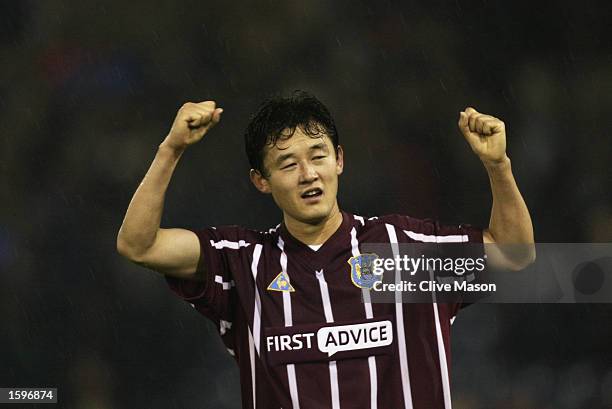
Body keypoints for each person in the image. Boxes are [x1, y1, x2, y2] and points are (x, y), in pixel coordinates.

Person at [117, 91, 534, 409]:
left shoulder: (403, 251)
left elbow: (515, 254)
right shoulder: (243, 262)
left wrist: (499, 166)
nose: (307, 174)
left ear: (338, 160)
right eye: (287, 164)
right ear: (261, 181)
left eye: (317, 156)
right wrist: (170, 150)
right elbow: (139, 244)